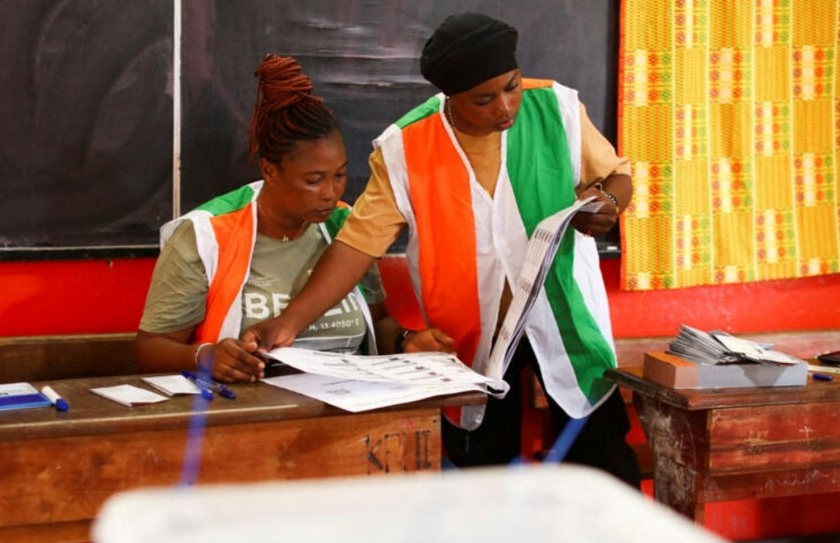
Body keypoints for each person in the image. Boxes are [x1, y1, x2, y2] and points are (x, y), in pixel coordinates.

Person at [243, 14, 641, 488]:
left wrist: (610, 204)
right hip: (470, 338)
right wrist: (288, 323)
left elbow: (616, 174)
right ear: (451, 97)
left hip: (565, 315)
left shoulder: (554, 106)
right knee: (480, 472)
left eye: (511, 87)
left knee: (601, 460)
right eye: (484, 99)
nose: (505, 108)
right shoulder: (406, 146)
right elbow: (356, 245)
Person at [136, 54, 453, 384]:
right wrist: (204, 356)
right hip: (248, 412)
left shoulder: (345, 226)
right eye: (313, 180)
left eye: (340, 175)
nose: (330, 193)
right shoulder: (206, 236)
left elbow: (379, 322)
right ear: (270, 171)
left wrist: (407, 341)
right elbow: (151, 349)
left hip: (348, 404)